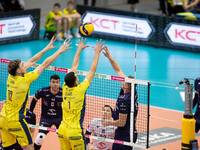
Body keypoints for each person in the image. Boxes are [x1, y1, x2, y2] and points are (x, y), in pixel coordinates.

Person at [0, 36, 72, 150]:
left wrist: (46, 49)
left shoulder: (11, 76)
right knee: (29, 147)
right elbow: (44, 64)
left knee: (6, 148)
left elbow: (32, 61)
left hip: (3, 119)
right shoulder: (25, 80)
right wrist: (59, 51)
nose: (25, 65)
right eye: (22, 65)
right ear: (18, 70)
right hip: (15, 120)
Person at [58, 37, 105, 150]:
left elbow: (74, 66)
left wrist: (78, 49)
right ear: (76, 82)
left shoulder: (64, 87)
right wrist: (97, 52)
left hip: (62, 130)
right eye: (77, 77)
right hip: (74, 132)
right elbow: (92, 70)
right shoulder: (80, 89)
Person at [101, 46, 138, 150]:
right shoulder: (132, 90)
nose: (121, 80)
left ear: (126, 86)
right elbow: (118, 70)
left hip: (124, 135)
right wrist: (109, 57)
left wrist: (108, 122)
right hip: (129, 132)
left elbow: (121, 123)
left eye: (123, 81)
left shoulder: (124, 100)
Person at [29, 74, 63, 150]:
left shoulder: (63, 93)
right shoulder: (43, 91)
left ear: (59, 83)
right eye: (53, 82)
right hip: (46, 118)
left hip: (59, 118)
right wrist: (30, 113)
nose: (55, 84)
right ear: (50, 83)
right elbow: (34, 100)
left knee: (64, 138)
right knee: (40, 137)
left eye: (57, 82)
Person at [193, 78, 200, 149]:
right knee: (191, 134)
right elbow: (196, 97)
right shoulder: (197, 81)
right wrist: (188, 110)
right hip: (198, 114)